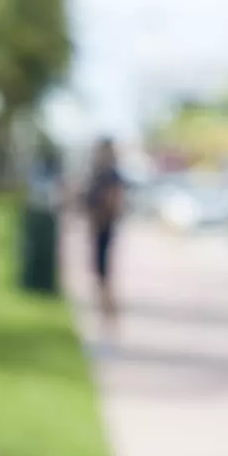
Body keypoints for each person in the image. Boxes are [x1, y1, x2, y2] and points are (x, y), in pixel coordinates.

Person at [84, 138, 126, 329]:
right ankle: (104, 309)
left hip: (104, 226)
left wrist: (104, 215)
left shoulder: (110, 174)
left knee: (103, 271)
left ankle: (108, 313)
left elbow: (114, 199)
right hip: (98, 225)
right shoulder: (99, 172)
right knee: (98, 270)